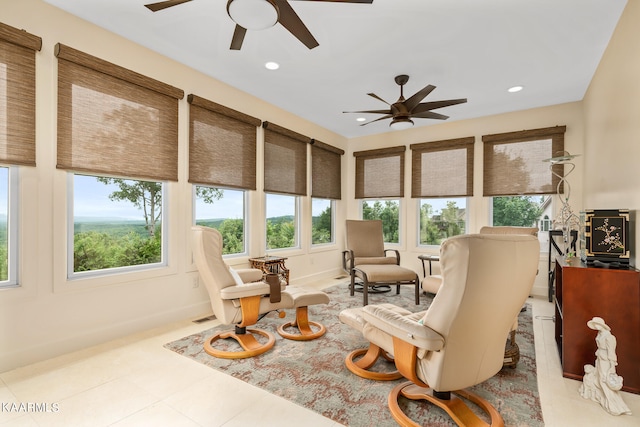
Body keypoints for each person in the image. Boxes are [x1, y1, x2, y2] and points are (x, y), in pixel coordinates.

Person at [580, 317, 632, 416]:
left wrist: (612, 366)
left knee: (604, 382)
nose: (595, 326)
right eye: (594, 325)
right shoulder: (600, 334)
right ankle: (604, 400)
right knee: (599, 380)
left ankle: (616, 406)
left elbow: (612, 352)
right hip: (599, 359)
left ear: (602, 325)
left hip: (606, 362)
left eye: (596, 324)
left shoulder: (609, 337)